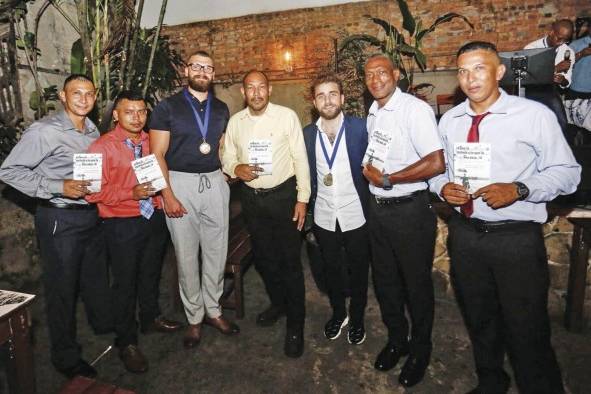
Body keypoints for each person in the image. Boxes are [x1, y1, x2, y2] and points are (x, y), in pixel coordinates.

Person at [430, 41, 581, 394]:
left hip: (515, 239)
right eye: (463, 71)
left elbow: (568, 172)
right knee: (480, 321)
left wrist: (520, 189)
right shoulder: (450, 121)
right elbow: (438, 172)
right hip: (466, 235)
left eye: (479, 68)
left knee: (527, 328)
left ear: (499, 72)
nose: (470, 78)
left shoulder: (533, 115)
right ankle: (491, 383)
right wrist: (441, 188)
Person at [0, 74, 112, 378]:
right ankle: (65, 357)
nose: (84, 99)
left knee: (93, 278)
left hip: (90, 214)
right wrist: (57, 186)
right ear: (63, 96)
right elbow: (9, 171)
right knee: (62, 289)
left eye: (89, 93)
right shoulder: (44, 131)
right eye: (77, 93)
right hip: (59, 218)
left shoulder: (91, 128)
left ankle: (102, 324)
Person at [362, 54, 445, 388]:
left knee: (416, 286)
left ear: (396, 74)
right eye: (369, 75)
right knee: (385, 282)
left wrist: (389, 179)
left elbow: (436, 162)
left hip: (409, 211)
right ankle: (398, 340)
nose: (375, 79)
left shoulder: (415, 110)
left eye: (382, 73)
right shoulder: (373, 113)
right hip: (379, 210)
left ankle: (421, 350)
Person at [86, 91, 182, 373]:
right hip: (121, 223)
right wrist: (130, 192)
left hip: (153, 217)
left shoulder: (150, 141)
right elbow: (91, 192)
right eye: (130, 111)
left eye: (142, 111)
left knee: (151, 272)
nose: (137, 117)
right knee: (125, 283)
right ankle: (126, 341)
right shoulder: (100, 147)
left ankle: (151, 317)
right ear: (116, 114)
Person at [149, 50, 239, 350]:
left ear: (213, 75)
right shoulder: (167, 107)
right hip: (180, 183)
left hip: (215, 182)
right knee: (187, 257)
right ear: (186, 71)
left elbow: (223, 146)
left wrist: (226, 174)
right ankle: (194, 318)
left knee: (217, 251)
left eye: (208, 68)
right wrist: (167, 194)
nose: (203, 72)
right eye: (197, 66)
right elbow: (156, 155)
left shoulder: (222, 108)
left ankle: (213, 310)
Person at [222, 70, 310, 358]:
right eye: (251, 88)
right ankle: (279, 304)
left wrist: (303, 199)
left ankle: (296, 323)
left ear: (269, 90)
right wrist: (236, 168)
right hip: (252, 200)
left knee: (290, 263)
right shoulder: (236, 122)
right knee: (264, 259)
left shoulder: (286, 117)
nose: (257, 93)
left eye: (261, 87)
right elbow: (228, 156)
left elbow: (300, 158)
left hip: (283, 197)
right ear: (243, 93)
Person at [302, 73, 370, 345]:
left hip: (356, 214)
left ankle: (358, 317)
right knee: (331, 269)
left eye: (332, 94)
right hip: (324, 216)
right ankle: (339, 312)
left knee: (359, 269)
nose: (327, 100)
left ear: (342, 98)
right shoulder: (307, 135)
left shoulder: (360, 128)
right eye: (321, 95)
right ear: (315, 102)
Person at [524, 19, 575, 88]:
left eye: (566, 40)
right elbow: (527, 77)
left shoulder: (568, 52)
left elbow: (567, 83)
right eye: (559, 38)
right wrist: (555, 69)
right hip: (532, 92)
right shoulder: (531, 49)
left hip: (553, 92)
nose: (561, 43)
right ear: (551, 32)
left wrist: (562, 80)